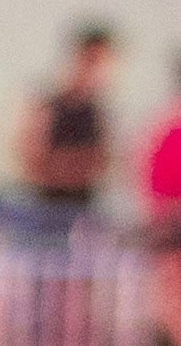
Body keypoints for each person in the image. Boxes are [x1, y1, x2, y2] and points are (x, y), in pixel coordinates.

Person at [18, 25, 120, 219]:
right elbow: (29, 155)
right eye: (94, 61)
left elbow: (105, 161)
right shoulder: (44, 100)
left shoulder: (98, 108)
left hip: (83, 204)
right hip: (44, 205)